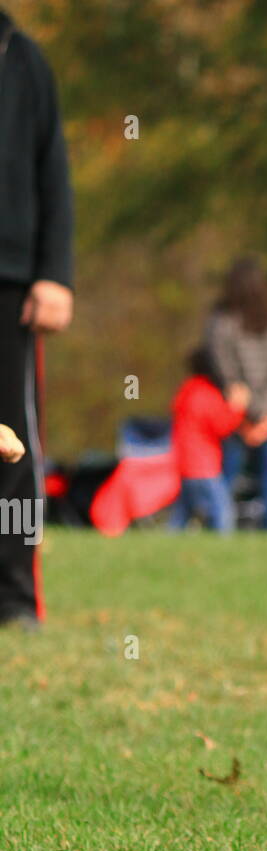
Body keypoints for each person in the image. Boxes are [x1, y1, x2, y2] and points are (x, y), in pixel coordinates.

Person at [0, 7, 74, 627]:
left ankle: (16, 600)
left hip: (11, 282)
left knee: (12, 443)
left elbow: (54, 171)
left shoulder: (24, 60)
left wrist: (53, 272)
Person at [206, 258, 267, 528]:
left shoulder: (221, 322)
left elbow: (221, 366)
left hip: (235, 412)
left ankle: (220, 533)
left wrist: (249, 408)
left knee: (227, 479)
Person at [169, 347, 250, 532]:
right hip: (203, 465)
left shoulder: (187, 390)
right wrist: (238, 406)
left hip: (184, 463)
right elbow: (222, 425)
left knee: (182, 513)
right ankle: (224, 548)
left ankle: (167, 541)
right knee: (223, 511)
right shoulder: (205, 394)